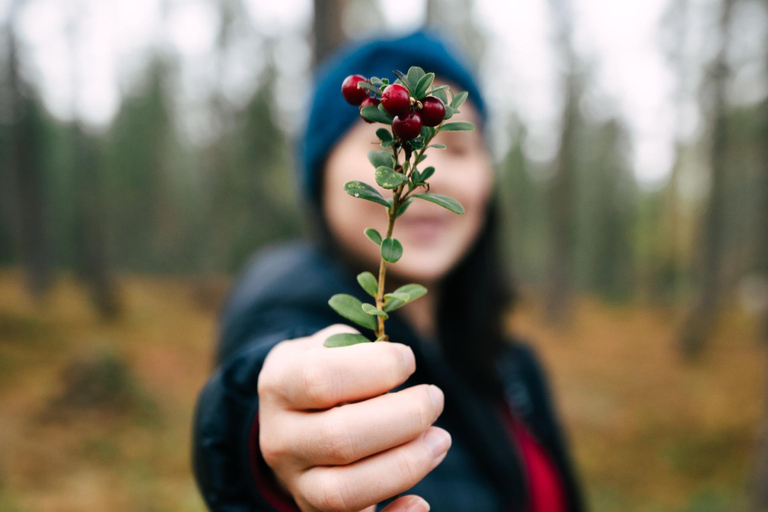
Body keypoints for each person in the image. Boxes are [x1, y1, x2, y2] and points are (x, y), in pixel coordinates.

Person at [192, 31, 585, 512]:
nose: (429, 174)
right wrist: (262, 448)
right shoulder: (286, 303)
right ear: (322, 177)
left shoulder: (512, 363)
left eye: (458, 148)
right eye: (386, 141)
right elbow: (271, 381)